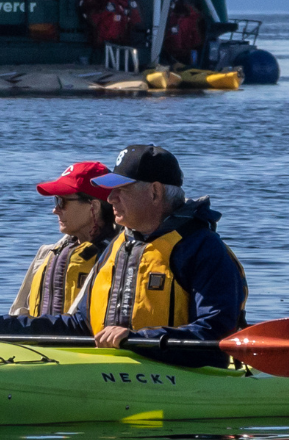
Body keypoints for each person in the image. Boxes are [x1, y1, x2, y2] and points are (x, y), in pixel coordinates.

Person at [76, 143, 247, 365]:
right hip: (116, 368)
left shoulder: (203, 249)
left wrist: (137, 339)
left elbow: (214, 334)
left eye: (121, 190)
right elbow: (81, 324)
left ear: (155, 192)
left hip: (185, 376)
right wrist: (17, 325)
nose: (110, 199)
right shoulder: (117, 246)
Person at [0, 161, 120, 335]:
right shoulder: (48, 254)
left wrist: (5, 326)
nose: (55, 210)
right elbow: (19, 312)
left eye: (62, 201)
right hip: (41, 350)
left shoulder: (118, 257)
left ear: (93, 206)